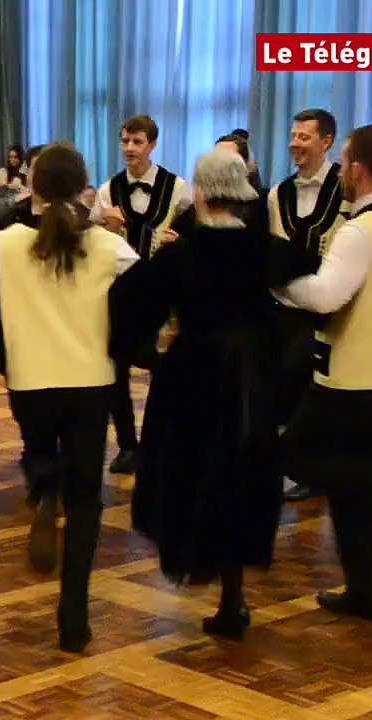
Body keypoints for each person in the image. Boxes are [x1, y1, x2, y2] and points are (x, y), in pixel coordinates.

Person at [0, 142, 138, 652]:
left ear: (30, 184)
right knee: (88, 498)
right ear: (84, 188)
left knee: (38, 452)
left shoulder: (5, 242)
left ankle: (43, 487)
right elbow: (141, 300)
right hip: (91, 381)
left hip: (30, 379)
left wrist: (3, 340)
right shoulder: (107, 245)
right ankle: (73, 611)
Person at [110, 150, 281, 640]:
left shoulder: (181, 254)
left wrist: (127, 349)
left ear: (201, 193)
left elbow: (131, 305)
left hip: (195, 377)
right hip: (250, 377)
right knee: (241, 472)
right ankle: (234, 594)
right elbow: (311, 290)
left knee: (193, 468)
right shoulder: (263, 248)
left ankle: (197, 559)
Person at [275, 124, 372, 624]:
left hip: (353, 381)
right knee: (350, 496)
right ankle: (368, 592)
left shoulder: (361, 230)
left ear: (358, 171)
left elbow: (325, 296)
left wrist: (279, 286)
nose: (342, 171)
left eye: (344, 162)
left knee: (294, 454)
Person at [90, 116, 192, 475]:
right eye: (125, 141)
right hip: (122, 292)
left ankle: (161, 441)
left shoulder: (179, 188)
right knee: (113, 370)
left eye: (137, 142)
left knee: (165, 366)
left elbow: (193, 232)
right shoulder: (107, 190)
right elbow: (96, 243)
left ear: (152, 145)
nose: (129, 149)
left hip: (165, 293)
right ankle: (128, 445)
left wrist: (181, 241)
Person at [266, 109, 349, 503]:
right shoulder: (277, 194)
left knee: (306, 382)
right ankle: (289, 465)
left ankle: (307, 467)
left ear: (326, 141)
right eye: (293, 135)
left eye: (304, 136)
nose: (295, 143)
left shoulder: (345, 188)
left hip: (327, 307)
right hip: (283, 307)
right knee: (281, 382)